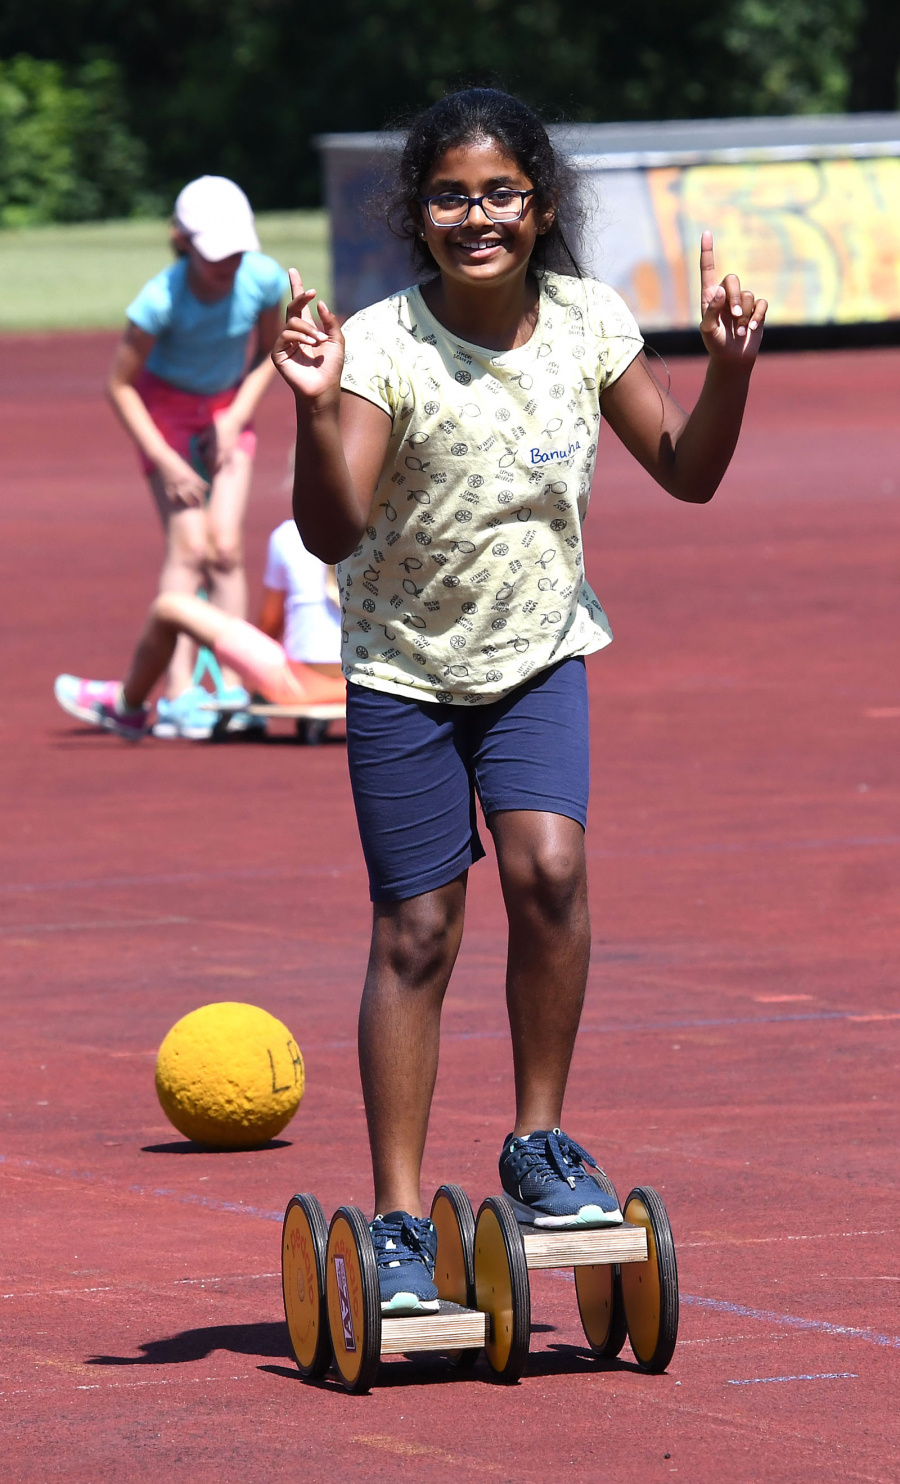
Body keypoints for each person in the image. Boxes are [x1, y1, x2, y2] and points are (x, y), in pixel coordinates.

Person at [272, 87, 768, 1316]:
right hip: (405, 673)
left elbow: (687, 474)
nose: (476, 215)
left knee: (550, 872)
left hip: (540, 657)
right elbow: (331, 527)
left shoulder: (592, 321)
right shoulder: (384, 345)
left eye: (501, 193)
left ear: (540, 205)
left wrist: (730, 370)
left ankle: (538, 1142)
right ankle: (396, 1219)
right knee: (419, 930)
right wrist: (316, 403)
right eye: (451, 194)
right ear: (419, 211)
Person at [106, 174, 288, 737]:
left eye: (236, 249)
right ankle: (179, 691)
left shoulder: (261, 279)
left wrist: (233, 417)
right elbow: (120, 385)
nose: (227, 263)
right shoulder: (160, 300)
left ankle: (232, 687)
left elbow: (270, 352)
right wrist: (164, 459)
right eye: (214, 253)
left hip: (227, 411)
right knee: (189, 548)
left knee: (226, 548)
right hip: (165, 419)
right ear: (182, 240)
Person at [53, 520, 345, 739]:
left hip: (297, 686)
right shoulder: (387, 529)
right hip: (367, 683)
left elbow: (270, 624)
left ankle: (127, 705)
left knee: (169, 607)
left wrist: (254, 681)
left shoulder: (290, 535)